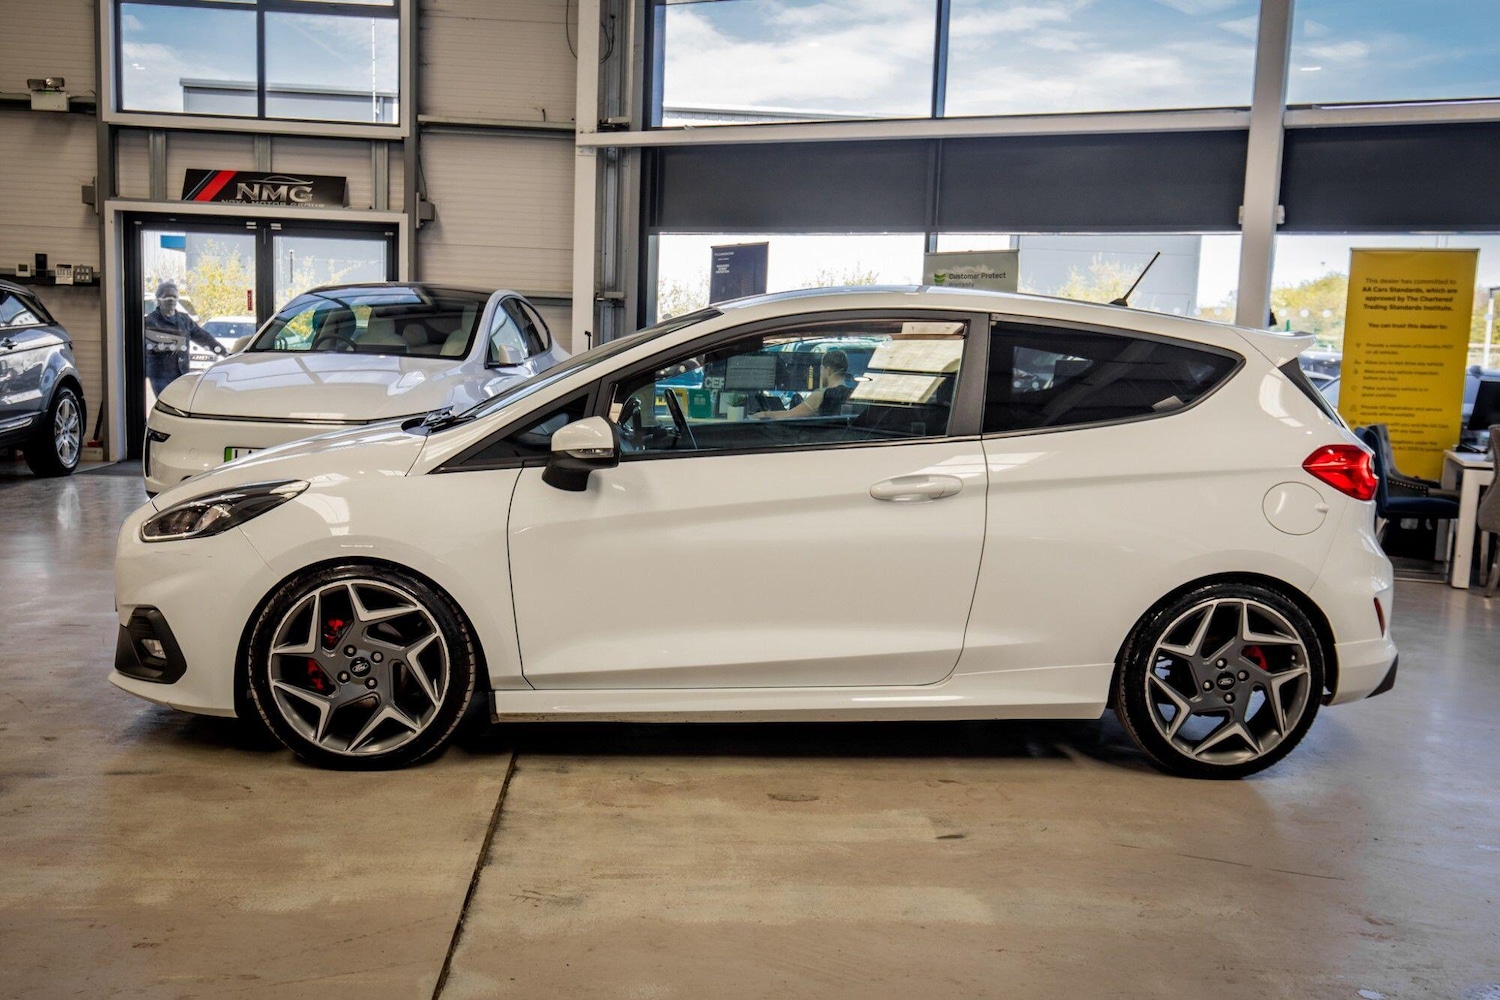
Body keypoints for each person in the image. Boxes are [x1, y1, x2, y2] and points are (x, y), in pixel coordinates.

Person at [143, 281, 226, 396]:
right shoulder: (149, 322)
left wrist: (223, 352)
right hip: (160, 375)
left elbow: (204, 337)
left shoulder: (185, 320)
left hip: (181, 373)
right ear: (158, 299)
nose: (171, 299)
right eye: (167, 296)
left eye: (174, 296)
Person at [753, 350, 855, 419]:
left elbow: (789, 415)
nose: (820, 372)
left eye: (821, 368)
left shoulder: (820, 395)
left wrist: (765, 414)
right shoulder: (853, 394)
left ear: (828, 370)